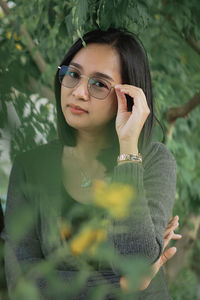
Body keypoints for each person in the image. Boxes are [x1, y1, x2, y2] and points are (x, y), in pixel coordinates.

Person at [4, 28, 182, 299]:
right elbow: (21, 280)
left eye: (99, 84)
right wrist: (120, 285)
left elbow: (137, 254)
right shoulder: (31, 167)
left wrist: (128, 150)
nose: (78, 92)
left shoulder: (155, 160)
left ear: (130, 97)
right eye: (73, 75)